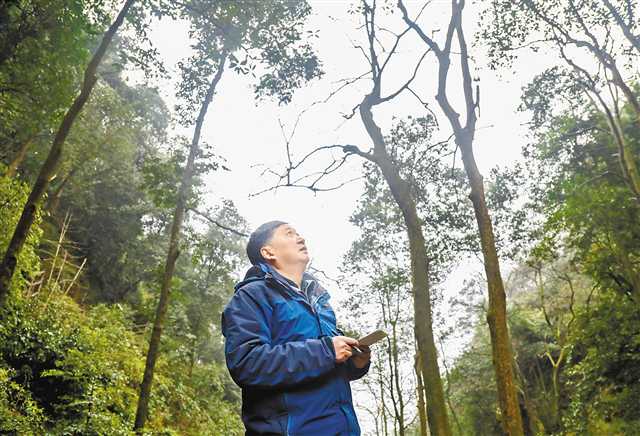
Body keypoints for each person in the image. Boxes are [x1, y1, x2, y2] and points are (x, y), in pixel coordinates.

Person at [221, 221, 371, 435]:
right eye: (289, 234)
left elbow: (326, 365)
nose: (300, 238)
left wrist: (355, 363)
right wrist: (326, 351)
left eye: (299, 234)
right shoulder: (251, 296)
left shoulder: (320, 302)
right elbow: (246, 363)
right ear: (268, 252)